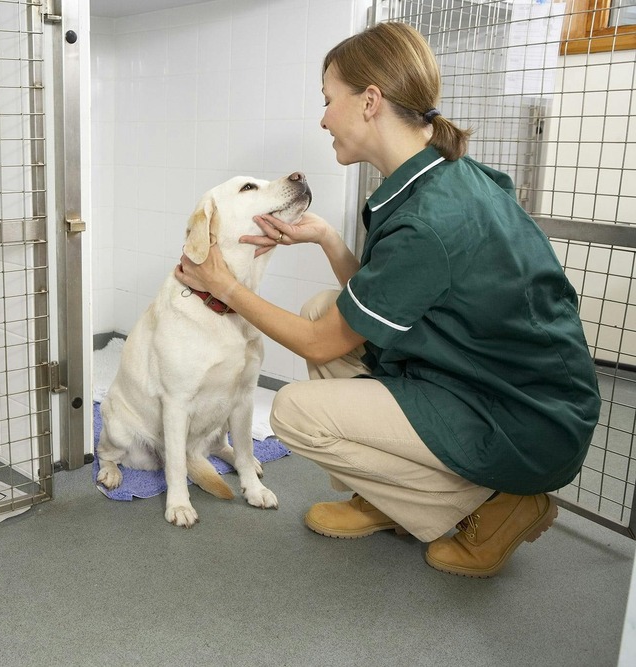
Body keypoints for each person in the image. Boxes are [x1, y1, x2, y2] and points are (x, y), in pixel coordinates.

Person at [173, 21, 600, 578]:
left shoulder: (429, 219)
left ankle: (499, 507)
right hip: (487, 381)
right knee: (321, 305)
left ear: (370, 100)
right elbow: (386, 295)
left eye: (329, 101)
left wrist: (223, 285)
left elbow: (321, 344)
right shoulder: (442, 175)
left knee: (294, 411)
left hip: (523, 419)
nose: (323, 118)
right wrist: (326, 236)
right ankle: (386, 498)